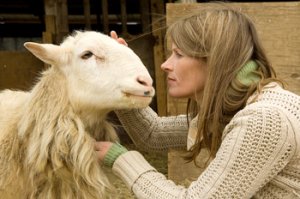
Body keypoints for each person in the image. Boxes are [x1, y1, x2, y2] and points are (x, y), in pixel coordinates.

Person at [95, 3, 300, 198]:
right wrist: (120, 77)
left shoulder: (264, 120)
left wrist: (121, 159)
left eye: (179, 54)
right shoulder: (237, 105)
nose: (166, 65)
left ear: (215, 60)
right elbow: (153, 134)